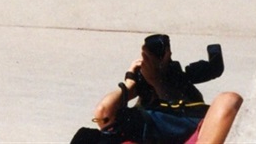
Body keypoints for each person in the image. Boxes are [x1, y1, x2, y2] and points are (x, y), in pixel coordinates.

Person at [71, 34, 243, 144]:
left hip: (178, 124)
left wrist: (131, 84)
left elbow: (103, 112)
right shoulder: (136, 126)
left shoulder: (128, 129)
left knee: (227, 100)